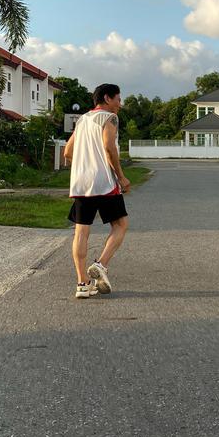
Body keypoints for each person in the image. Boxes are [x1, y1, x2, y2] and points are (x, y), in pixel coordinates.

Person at [63, 83, 131, 299]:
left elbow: (67, 152)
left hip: (81, 183)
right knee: (120, 224)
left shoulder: (82, 119)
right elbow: (109, 147)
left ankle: (82, 284)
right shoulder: (109, 118)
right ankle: (101, 265)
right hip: (104, 182)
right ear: (107, 98)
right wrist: (121, 176)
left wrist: (84, 165)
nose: (120, 104)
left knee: (81, 232)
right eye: (118, 99)